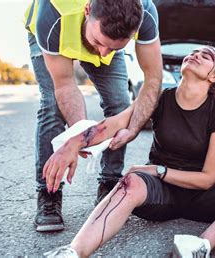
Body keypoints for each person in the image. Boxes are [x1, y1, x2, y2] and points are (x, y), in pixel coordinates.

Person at [42, 46, 215, 257]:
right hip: (160, 195)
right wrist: (73, 144)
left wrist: (158, 170)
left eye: (205, 56)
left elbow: (208, 179)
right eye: (193, 53)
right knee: (131, 181)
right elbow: (115, 123)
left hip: (200, 195)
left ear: (214, 76)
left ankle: (201, 245)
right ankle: (72, 252)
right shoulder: (158, 98)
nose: (195, 54)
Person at [24, 0, 162, 232]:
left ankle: (109, 185)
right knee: (51, 107)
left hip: (91, 27)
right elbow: (65, 85)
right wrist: (78, 137)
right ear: (88, 10)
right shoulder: (51, 14)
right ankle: (49, 193)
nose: (102, 53)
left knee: (119, 104)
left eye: (115, 48)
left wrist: (133, 127)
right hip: (52, 33)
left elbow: (153, 79)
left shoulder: (145, 11)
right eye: (99, 42)